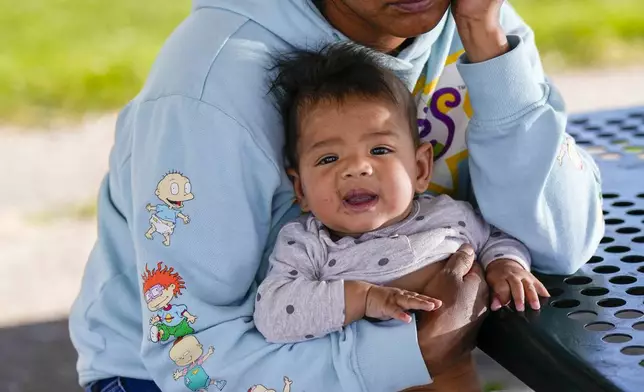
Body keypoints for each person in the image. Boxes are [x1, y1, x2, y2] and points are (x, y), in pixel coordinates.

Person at [69, 0, 604, 391]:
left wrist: (488, 45)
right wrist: (413, 351)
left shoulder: (476, 23)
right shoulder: (208, 93)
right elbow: (189, 356)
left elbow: (560, 240)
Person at [254, 43, 549, 348]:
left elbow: (497, 238)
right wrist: (364, 298)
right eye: (328, 159)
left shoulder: (449, 217)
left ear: (420, 168)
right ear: (301, 189)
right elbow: (273, 314)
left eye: (379, 150)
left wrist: (506, 265)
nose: (356, 168)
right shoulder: (308, 244)